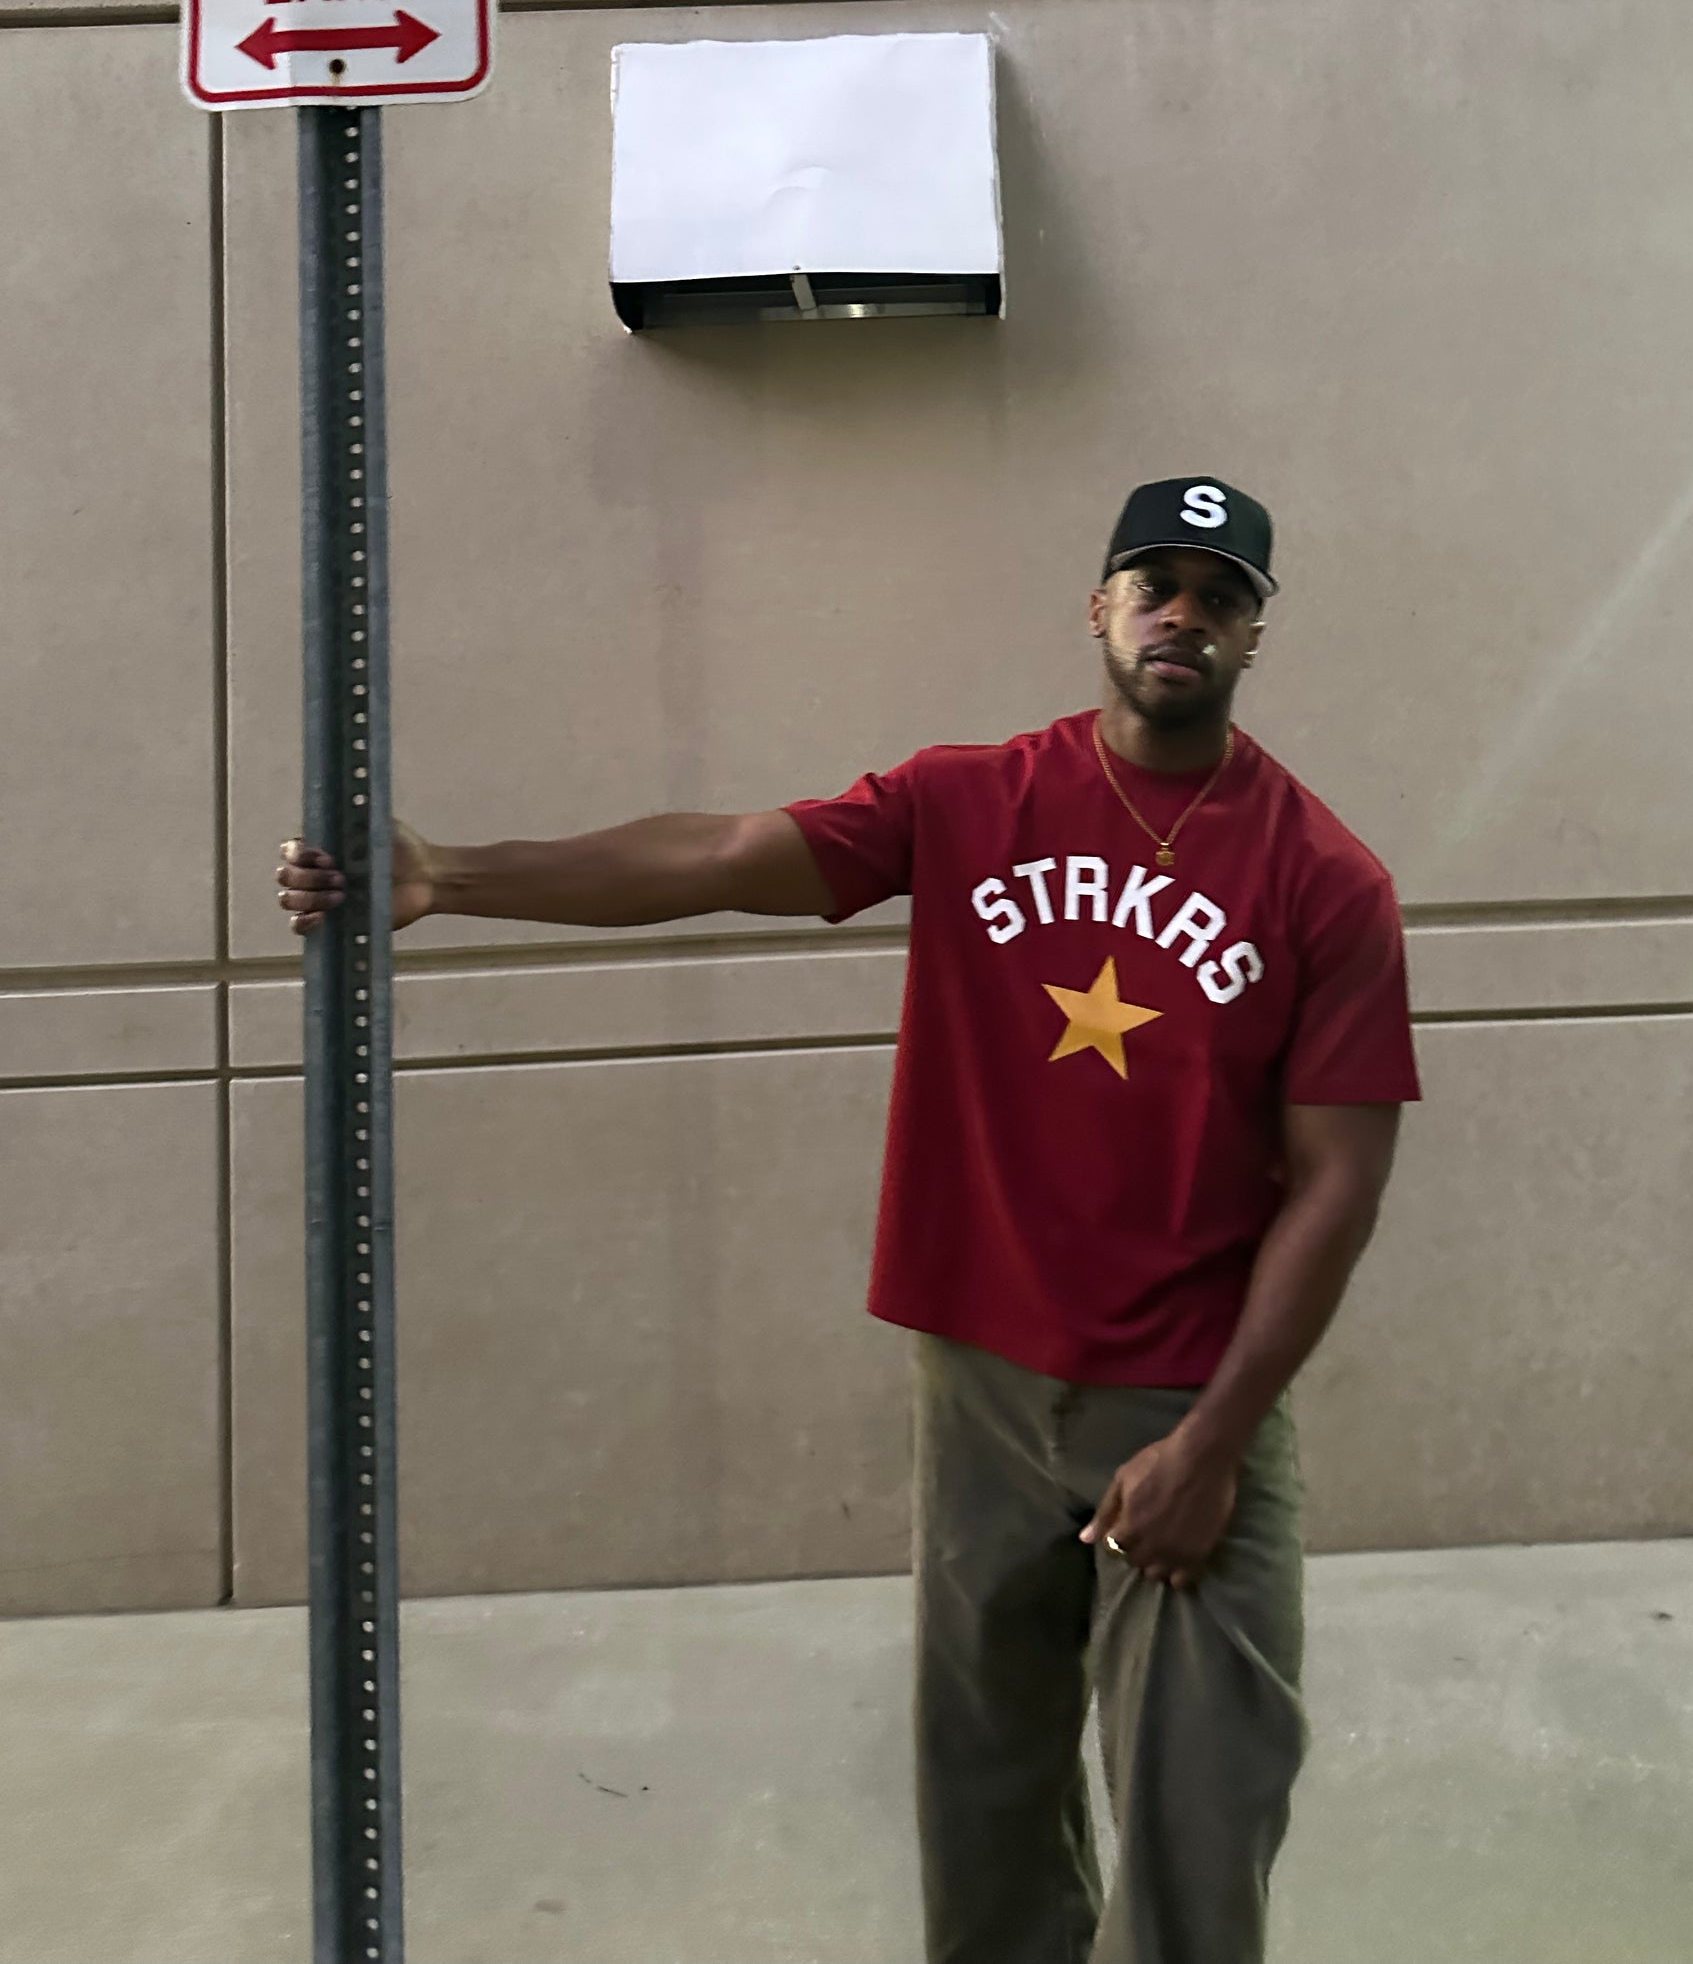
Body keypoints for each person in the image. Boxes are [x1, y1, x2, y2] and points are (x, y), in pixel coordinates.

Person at [277, 475, 1422, 1964]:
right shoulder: (972, 800)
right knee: (988, 1799)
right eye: (1156, 586)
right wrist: (449, 877)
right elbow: (716, 858)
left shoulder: (1324, 879)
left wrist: (1211, 1445)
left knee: (1200, 1822)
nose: (1182, 617)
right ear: (1099, 607)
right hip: (982, 1384)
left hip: (1186, 1392)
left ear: (1256, 633)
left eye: (1220, 596)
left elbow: (1339, 1181)